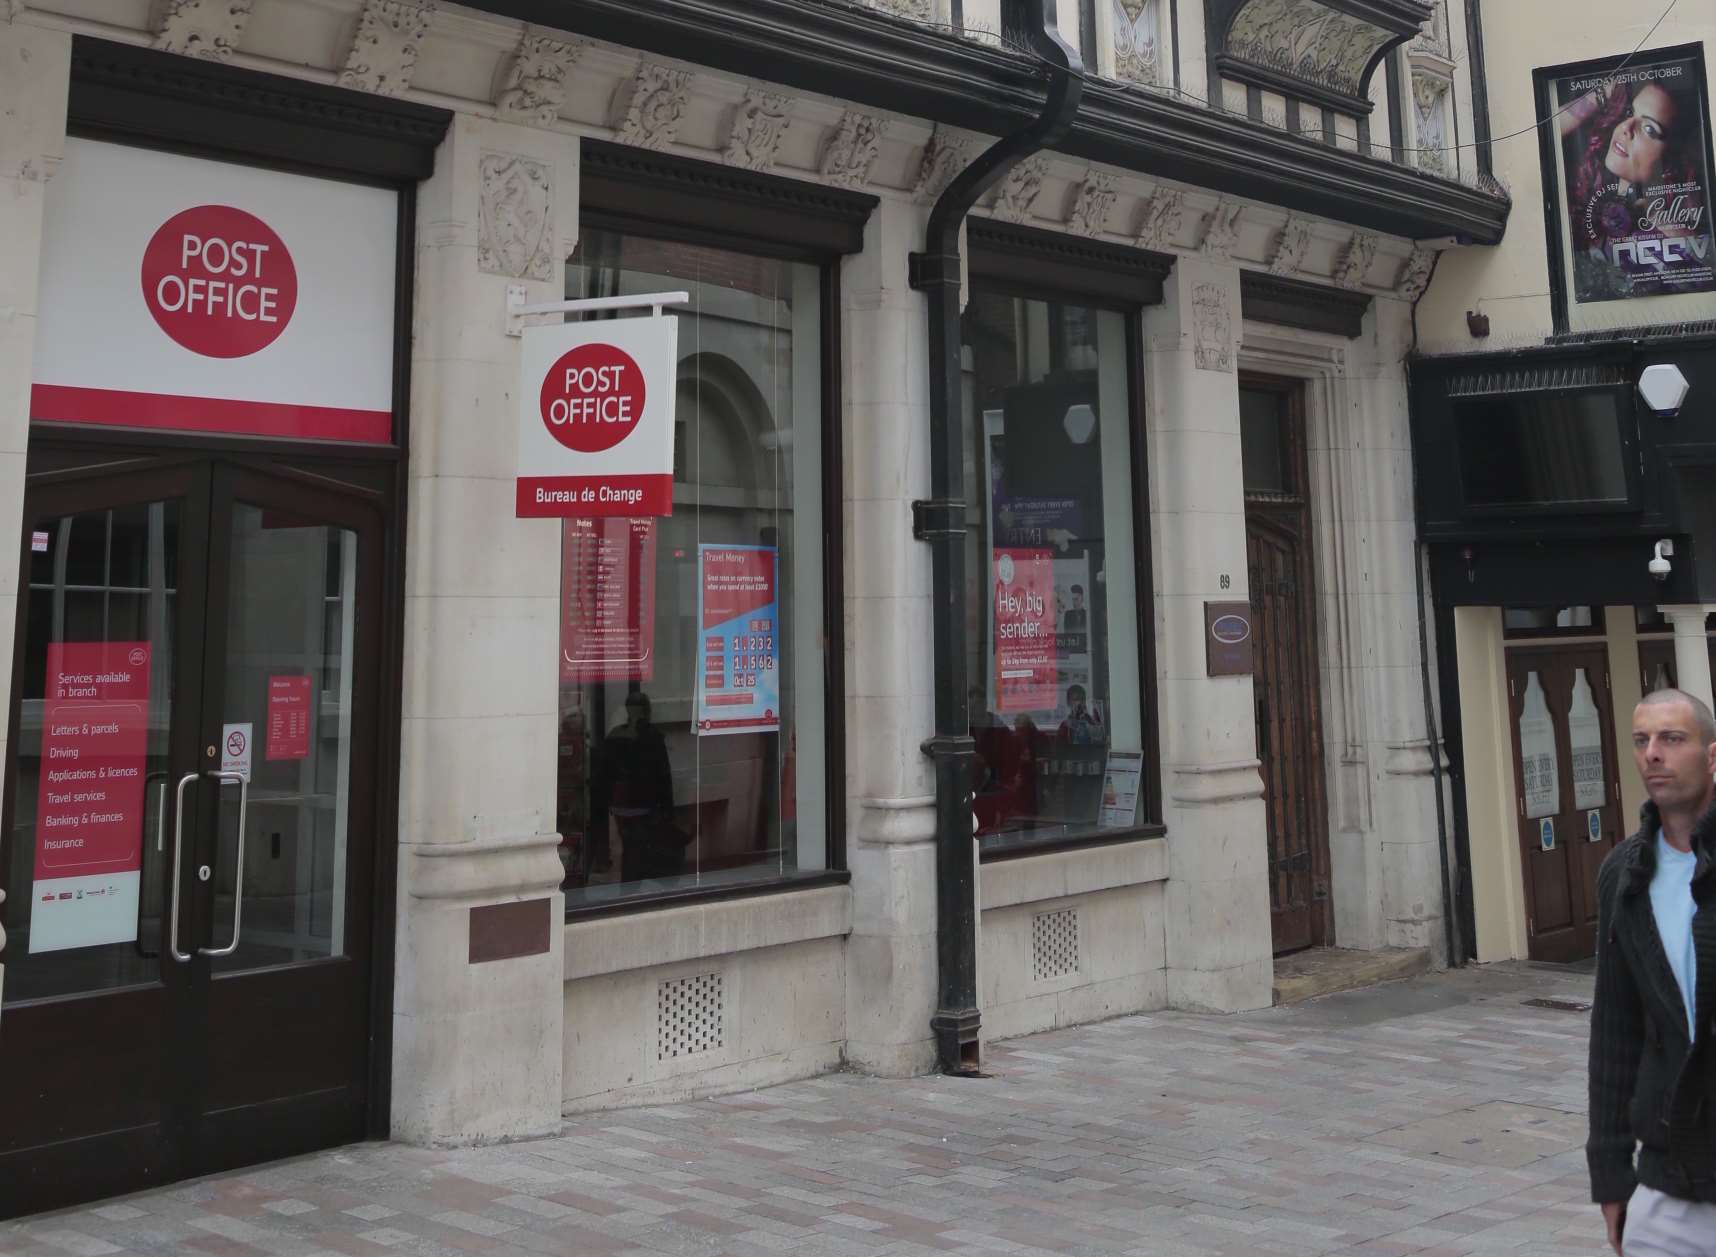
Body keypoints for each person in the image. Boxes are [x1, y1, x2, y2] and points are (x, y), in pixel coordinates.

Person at [1588, 687, 1716, 1254]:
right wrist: (1611, 1175)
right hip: (1668, 1186)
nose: (1653, 754)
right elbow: (1615, 1030)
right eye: (1642, 741)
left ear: (1712, 755)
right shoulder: (1625, 874)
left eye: (1672, 738)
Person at [1559, 75, 1708, 300]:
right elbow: (1540, 136)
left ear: (1670, 157)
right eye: (1629, 113)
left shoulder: (1672, 238)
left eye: (1648, 129)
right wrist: (1603, 93)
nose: (1626, 128)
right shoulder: (1589, 193)